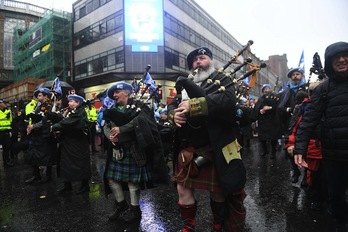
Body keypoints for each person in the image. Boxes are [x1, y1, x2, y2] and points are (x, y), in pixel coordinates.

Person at [168, 47, 247, 232]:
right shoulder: (187, 83)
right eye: (195, 60)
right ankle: (189, 226)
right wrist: (173, 115)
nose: (198, 61)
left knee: (217, 191)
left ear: (210, 61)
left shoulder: (222, 79)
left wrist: (193, 105)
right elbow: (172, 104)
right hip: (188, 146)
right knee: (182, 189)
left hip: (215, 145)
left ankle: (218, 223)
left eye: (202, 58)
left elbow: (227, 103)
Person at [294, 41, 348, 232]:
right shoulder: (323, 89)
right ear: (329, 62)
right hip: (333, 155)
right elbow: (308, 120)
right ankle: (341, 224)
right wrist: (299, 147)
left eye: (345, 55)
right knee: (335, 195)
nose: (341, 59)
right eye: (336, 57)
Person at [103, 81, 167, 223]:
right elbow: (106, 125)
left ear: (126, 92)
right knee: (111, 179)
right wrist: (110, 136)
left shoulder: (139, 106)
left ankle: (135, 209)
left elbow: (141, 121)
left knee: (133, 181)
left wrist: (122, 129)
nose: (114, 95)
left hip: (134, 148)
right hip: (117, 148)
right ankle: (121, 204)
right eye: (113, 93)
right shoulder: (112, 108)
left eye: (117, 92)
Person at [286, 81, 327, 211]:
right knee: (313, 175)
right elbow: (297, 127)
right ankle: (316, 199)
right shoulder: (304, 108)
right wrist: (292, 144)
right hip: (313, 147)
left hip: (331, 148)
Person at [51, 94, 91, 195]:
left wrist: (53, 127)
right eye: (69, 101)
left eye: (72, 101)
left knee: (80, 164)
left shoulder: (79, 112)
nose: (69, 103)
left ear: (78, 103)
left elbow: (66, 123)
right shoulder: (71, 111)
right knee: (65, 163)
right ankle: (67, 186)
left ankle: (85, 186)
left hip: (78, 143)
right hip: (68, 142)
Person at [277, 67, 307, 183]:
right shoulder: (286, 92)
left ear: (302, 76)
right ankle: (296, 171)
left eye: (298, 74)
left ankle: (305, 175)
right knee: (290, 150)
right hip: (290, 126)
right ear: (290, 78)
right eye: (293, 74)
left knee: (306, 150)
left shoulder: (308, 89)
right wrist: (289, 109)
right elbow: (280, 109)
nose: (295, 76)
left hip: (305, 125)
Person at [25, 88, 57, 183]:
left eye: (39, 95)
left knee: (47, 156)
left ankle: (48, 176)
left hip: (45, 134)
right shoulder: (37, 105)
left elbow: (45, 120)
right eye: (37, 95)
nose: (37, 97)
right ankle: (36, 175)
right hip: (36, 134)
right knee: (33, 155)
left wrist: (33, 126)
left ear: (46, 96)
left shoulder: (49, 106)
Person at [252, 84, 280, 159]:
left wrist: (269, 108)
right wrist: (260, 111)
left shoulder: (275, 97)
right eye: (264, 89)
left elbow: (278, 107)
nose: (266, 90)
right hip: (263, 122)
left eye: (268, 88)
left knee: (273, 138)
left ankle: (273, 151)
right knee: (262, 138)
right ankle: (265, 150)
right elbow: (256, 109)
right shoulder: (260, 99)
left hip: (272, 121)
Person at [0, 99, 14, 167]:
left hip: (6, 132)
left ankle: (7, 162)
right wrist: (6, 115)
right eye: (3, 103)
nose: (4, 104)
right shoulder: (7, 112)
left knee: (6, 148)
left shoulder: (8, 111)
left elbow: (10, 120)